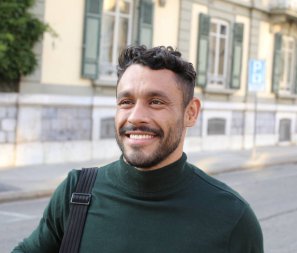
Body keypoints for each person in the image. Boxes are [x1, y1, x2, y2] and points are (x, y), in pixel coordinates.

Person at [12, 45, 263, 253]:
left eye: (156, 102)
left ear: (191, 112)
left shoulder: (232, 217)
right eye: (126, 101)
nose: (135, 117)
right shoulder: (76, 192)